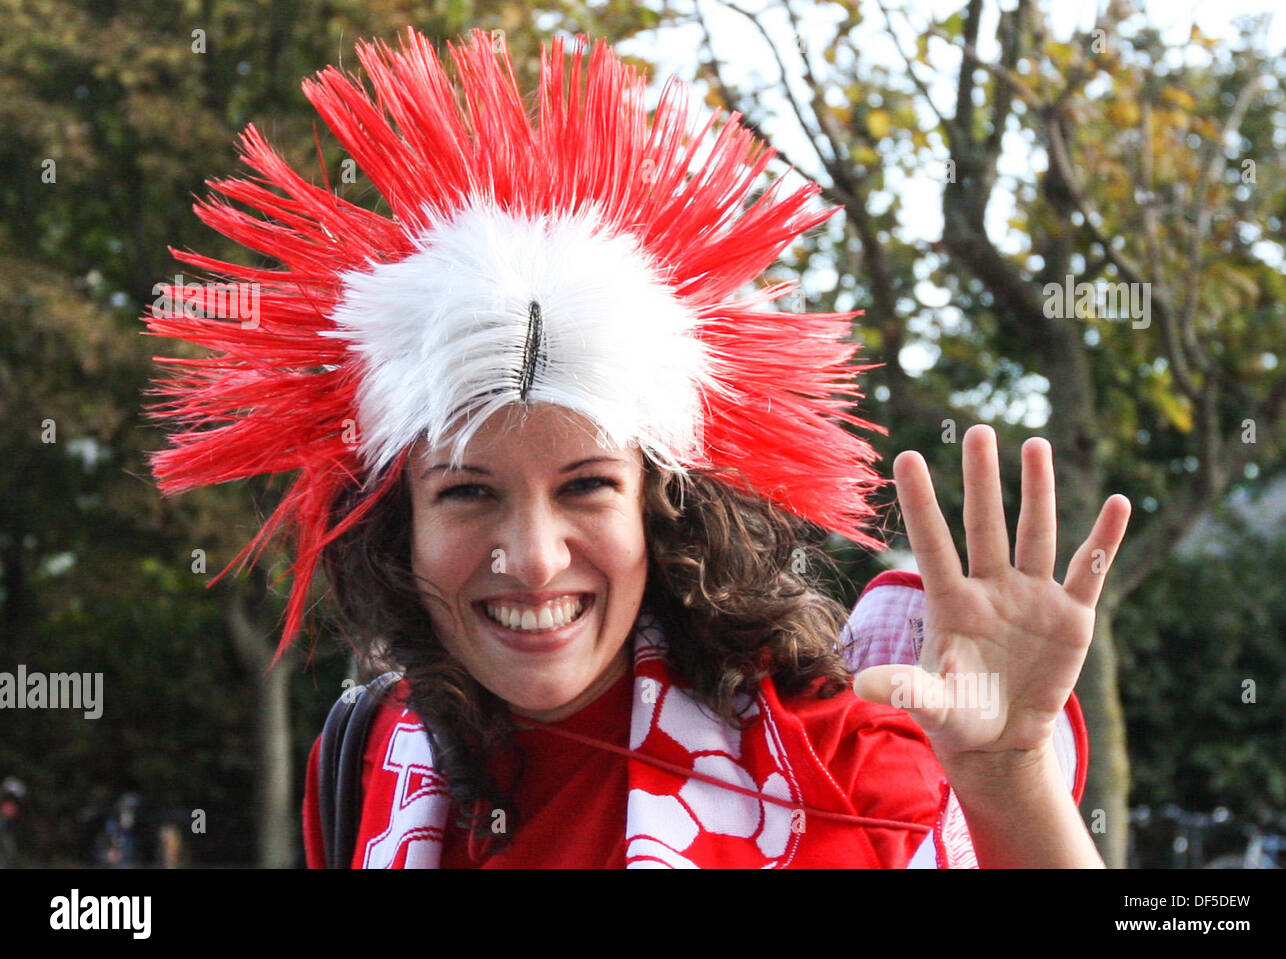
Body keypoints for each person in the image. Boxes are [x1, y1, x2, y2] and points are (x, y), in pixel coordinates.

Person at [144, 28, 1130, 868]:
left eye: (585, 486)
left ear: (662, 507)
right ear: (397, 524)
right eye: (467, 493)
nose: (531, 555)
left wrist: (1009, 782)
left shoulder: (848, 765)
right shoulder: (363, 757)